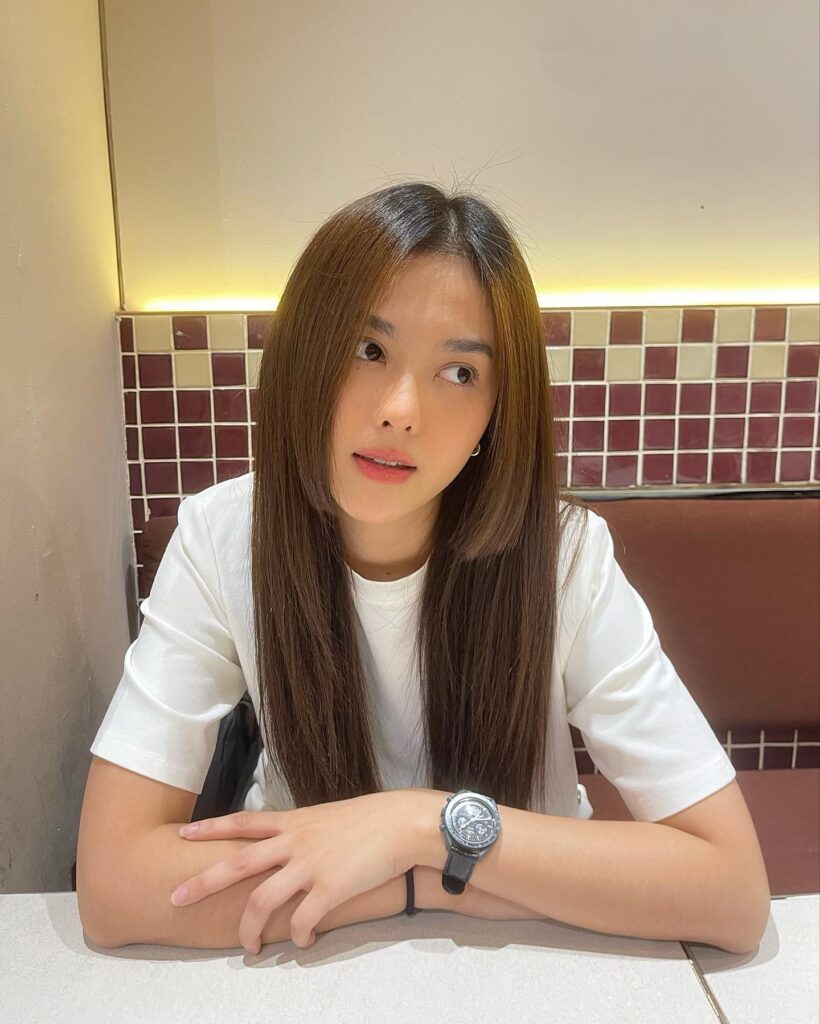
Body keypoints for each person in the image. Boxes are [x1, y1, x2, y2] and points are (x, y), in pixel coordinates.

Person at [76, 181, 768, 957]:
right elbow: (113, 884)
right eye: (368, 350)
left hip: (527, 968)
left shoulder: (563, 557)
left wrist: (415, 828)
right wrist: (423, 884)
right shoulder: (221, 537)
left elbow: (733, 891)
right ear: (304, 355)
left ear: (494, 415)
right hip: (316, 964)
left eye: (460, 372)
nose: (401, 410)